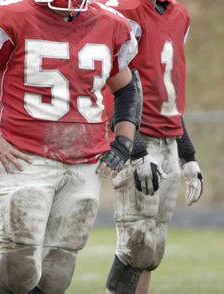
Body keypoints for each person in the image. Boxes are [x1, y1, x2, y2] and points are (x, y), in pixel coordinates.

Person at [0, 0, 141, 293]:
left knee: (57, 274)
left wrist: (124, 141)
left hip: (84, 165)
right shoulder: (9, 14)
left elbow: (127, 86)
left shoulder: (110, 22)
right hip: (25, 158)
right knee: (18, 267)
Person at [93, 0, 203, 293]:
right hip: (138, 137)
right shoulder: (122, 11)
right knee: (137, 245)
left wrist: (187, 153)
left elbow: (168, 90)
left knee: (151, 251)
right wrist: (135, 147)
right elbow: (109, 83)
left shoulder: (180, 14)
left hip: (169, 140)